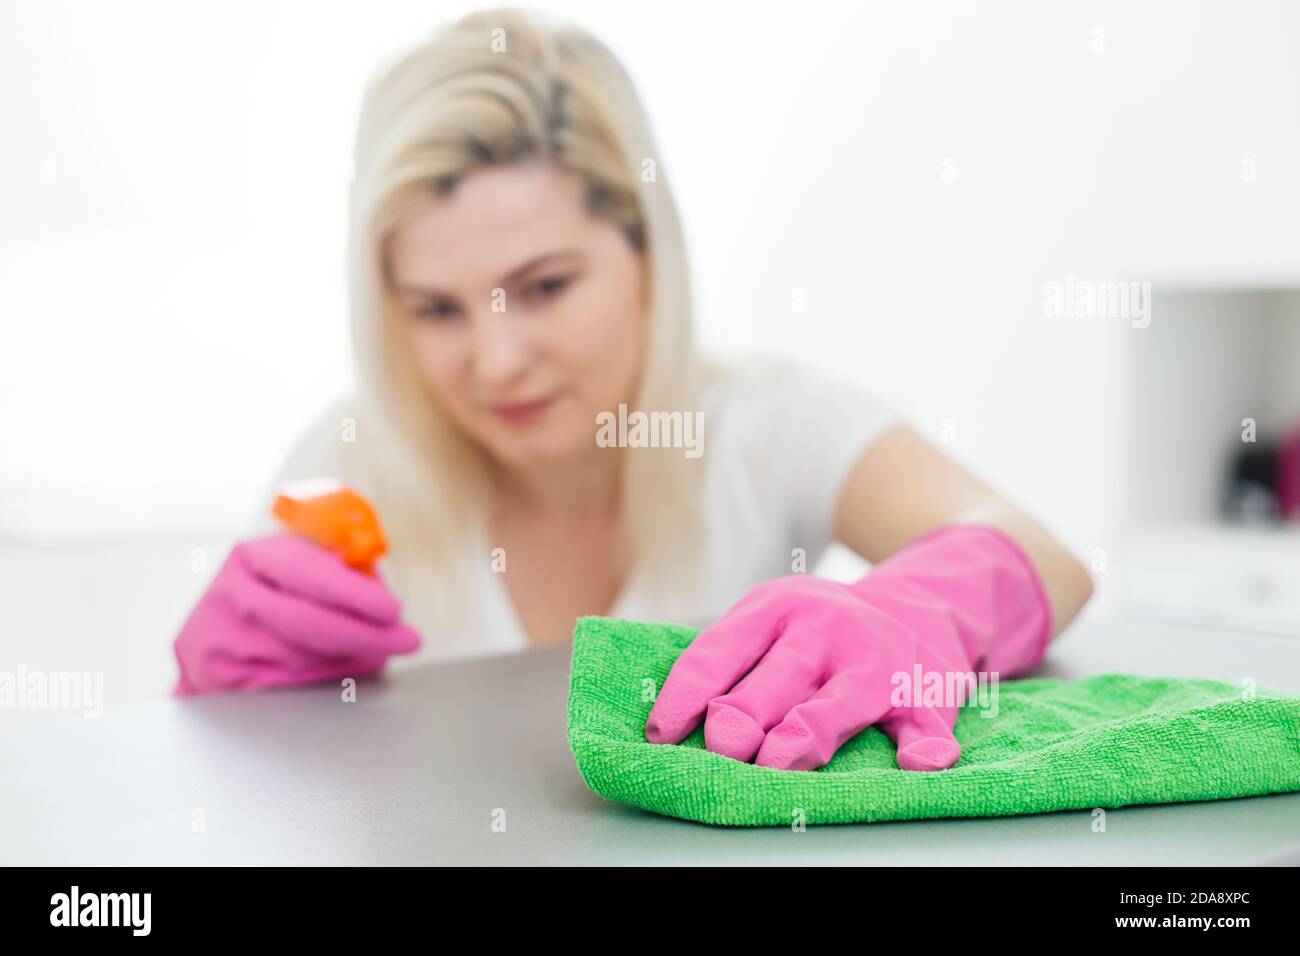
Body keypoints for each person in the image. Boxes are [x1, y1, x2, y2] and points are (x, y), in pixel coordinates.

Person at [172, 8, 1093, 772]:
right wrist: (214, 706)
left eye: (543, 289)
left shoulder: (764, 425)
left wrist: (909, 614)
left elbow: (1044, 556)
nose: (495, 362)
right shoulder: (347, 460)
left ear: (649, 254)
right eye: (435, 310)